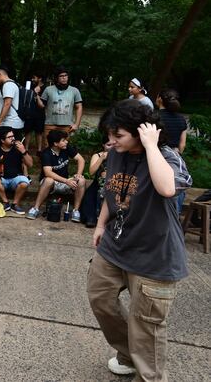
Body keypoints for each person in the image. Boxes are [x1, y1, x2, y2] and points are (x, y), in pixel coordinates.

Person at [87, 99, 192, 380]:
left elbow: (168, 188)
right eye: (108, 135)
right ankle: (128, 354)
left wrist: (150, 146)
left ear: (142, 131)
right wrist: (100, 225)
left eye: (118, 135)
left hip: (154, 255)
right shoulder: (117, 152)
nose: (111, 141)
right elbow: (115, 190)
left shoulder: (166, 156)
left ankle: (150, 376)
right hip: (115, 245)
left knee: (146, 326)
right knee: (100, 299)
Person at [26, 129, 86, 221]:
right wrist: (67, 181)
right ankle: (35, 208)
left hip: (65, 182)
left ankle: (76, 211)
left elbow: (81, 160)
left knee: (81, 180)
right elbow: (48, 173)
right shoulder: (46, 154)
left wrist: (78, 174)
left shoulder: (66, 148)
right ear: (55, 143)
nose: (66, 142)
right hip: (51, 184)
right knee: (48, 180)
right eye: (63, 140)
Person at [0, 127, 33, 215]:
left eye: (13, 136)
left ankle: (15, 204)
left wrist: (23, 151)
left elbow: (30, 164)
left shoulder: (18, 148)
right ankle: (5, 202)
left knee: (24, 182)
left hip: (15, 178)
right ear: (2, 140)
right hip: (1, 179)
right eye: (10, 137)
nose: (13, 138)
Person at [37, 67, 83, 148]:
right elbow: (42, 105)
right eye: (61, 76)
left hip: (66, 126)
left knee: (64, 148)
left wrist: (76, 124)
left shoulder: (74, 90)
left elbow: (79, 107)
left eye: (66, 75)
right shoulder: (48, 89)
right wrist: (36, 95)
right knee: (48, 148)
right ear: (57, 78)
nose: (64, 77)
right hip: (50, 125)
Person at [80, 134, 114, 228]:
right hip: (98, 183)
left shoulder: (119, 155)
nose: (111, 147)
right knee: (90, 196)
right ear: (103, 145)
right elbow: (91, 172)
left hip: (112, 183)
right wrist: (101, 158)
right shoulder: (97, 155)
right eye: (108, 145)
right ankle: (91, 219)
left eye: (113, 145)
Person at [0, 67, 24, 137]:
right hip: (13, 123)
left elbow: (7, 104)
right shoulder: (13, 84)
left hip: (10, 124)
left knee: (8, 146)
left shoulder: (8, 85)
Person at [156, 89, 187, 154]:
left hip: (157, 152)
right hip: (174, 154)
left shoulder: (155, 117)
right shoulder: (181, 119)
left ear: (160, 99)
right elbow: (182, 144)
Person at [23, 71, 46, 154]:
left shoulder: (45, 88)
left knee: (39, 132)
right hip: (29, 113)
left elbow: (43, 104)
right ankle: (26, 149)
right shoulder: (30, 87)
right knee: (28, 131)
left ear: (40, 78)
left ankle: (39, 150)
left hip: (40, 113)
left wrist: (37, 94)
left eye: (34, 77)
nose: (32, 79)